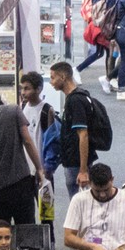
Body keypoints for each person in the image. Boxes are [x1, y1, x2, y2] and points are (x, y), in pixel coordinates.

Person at [0, 86, 46, 225]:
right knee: (26, 227)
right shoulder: (13, 110)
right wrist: (39, 168)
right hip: (20, 182)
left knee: (1, 230)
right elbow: (28, 141)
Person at [52, 62, 100, 193]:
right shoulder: (76, 97)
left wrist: (83, 170)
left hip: (76, 163)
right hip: (73, 161)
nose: (51, 82)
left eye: (53, 78)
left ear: (62, 77)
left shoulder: (75, 101)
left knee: (79, 204)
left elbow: (83, 134)